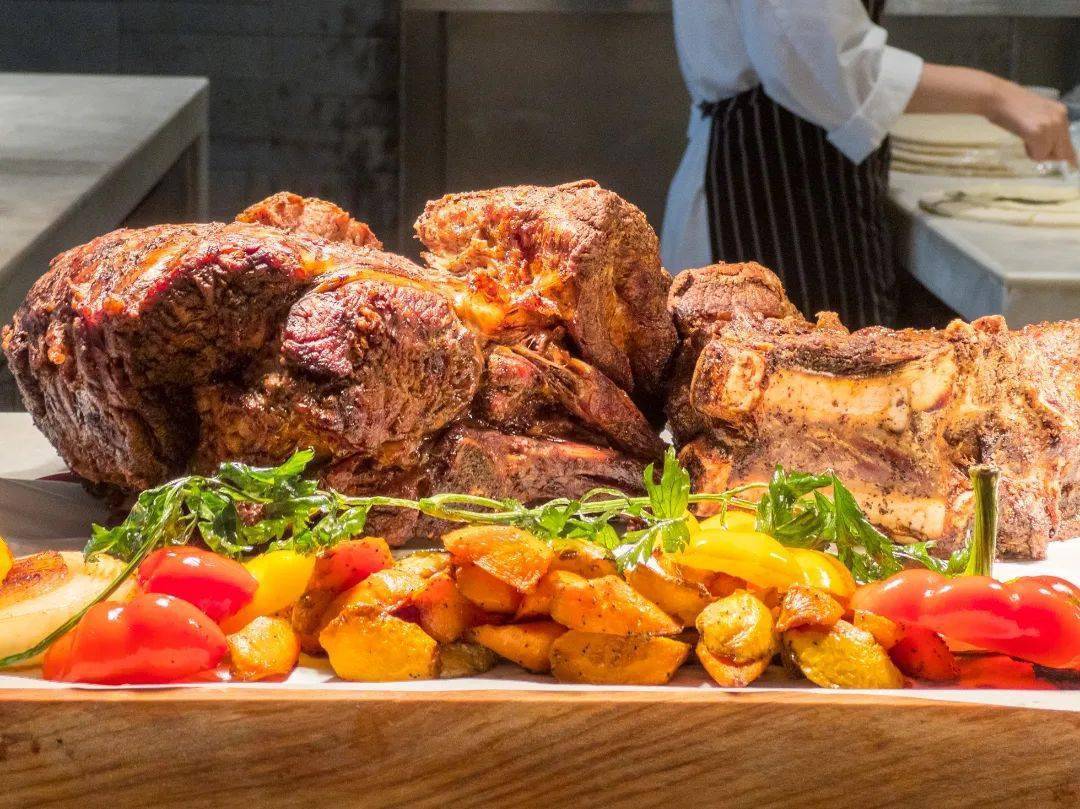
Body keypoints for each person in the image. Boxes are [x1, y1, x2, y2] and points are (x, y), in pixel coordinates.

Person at [662, 1, 1077, 328]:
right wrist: (994, 95)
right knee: (803, 406)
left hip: (798, 185)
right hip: (771, 193)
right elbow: (825, 61)